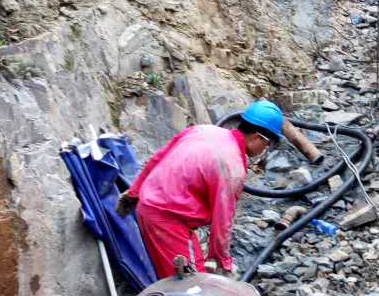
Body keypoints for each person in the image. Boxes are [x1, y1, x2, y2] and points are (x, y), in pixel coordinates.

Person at [117, 101, 284, 276]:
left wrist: (134, 193)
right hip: (168, 220)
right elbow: (222, 220)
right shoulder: (232, 166)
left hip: (150, 203)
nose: (264, 150)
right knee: (193, 284)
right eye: (267, 145)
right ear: (257, 137)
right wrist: (222, 263)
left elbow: (158, 158)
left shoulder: (202, 130)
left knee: (179, 276)